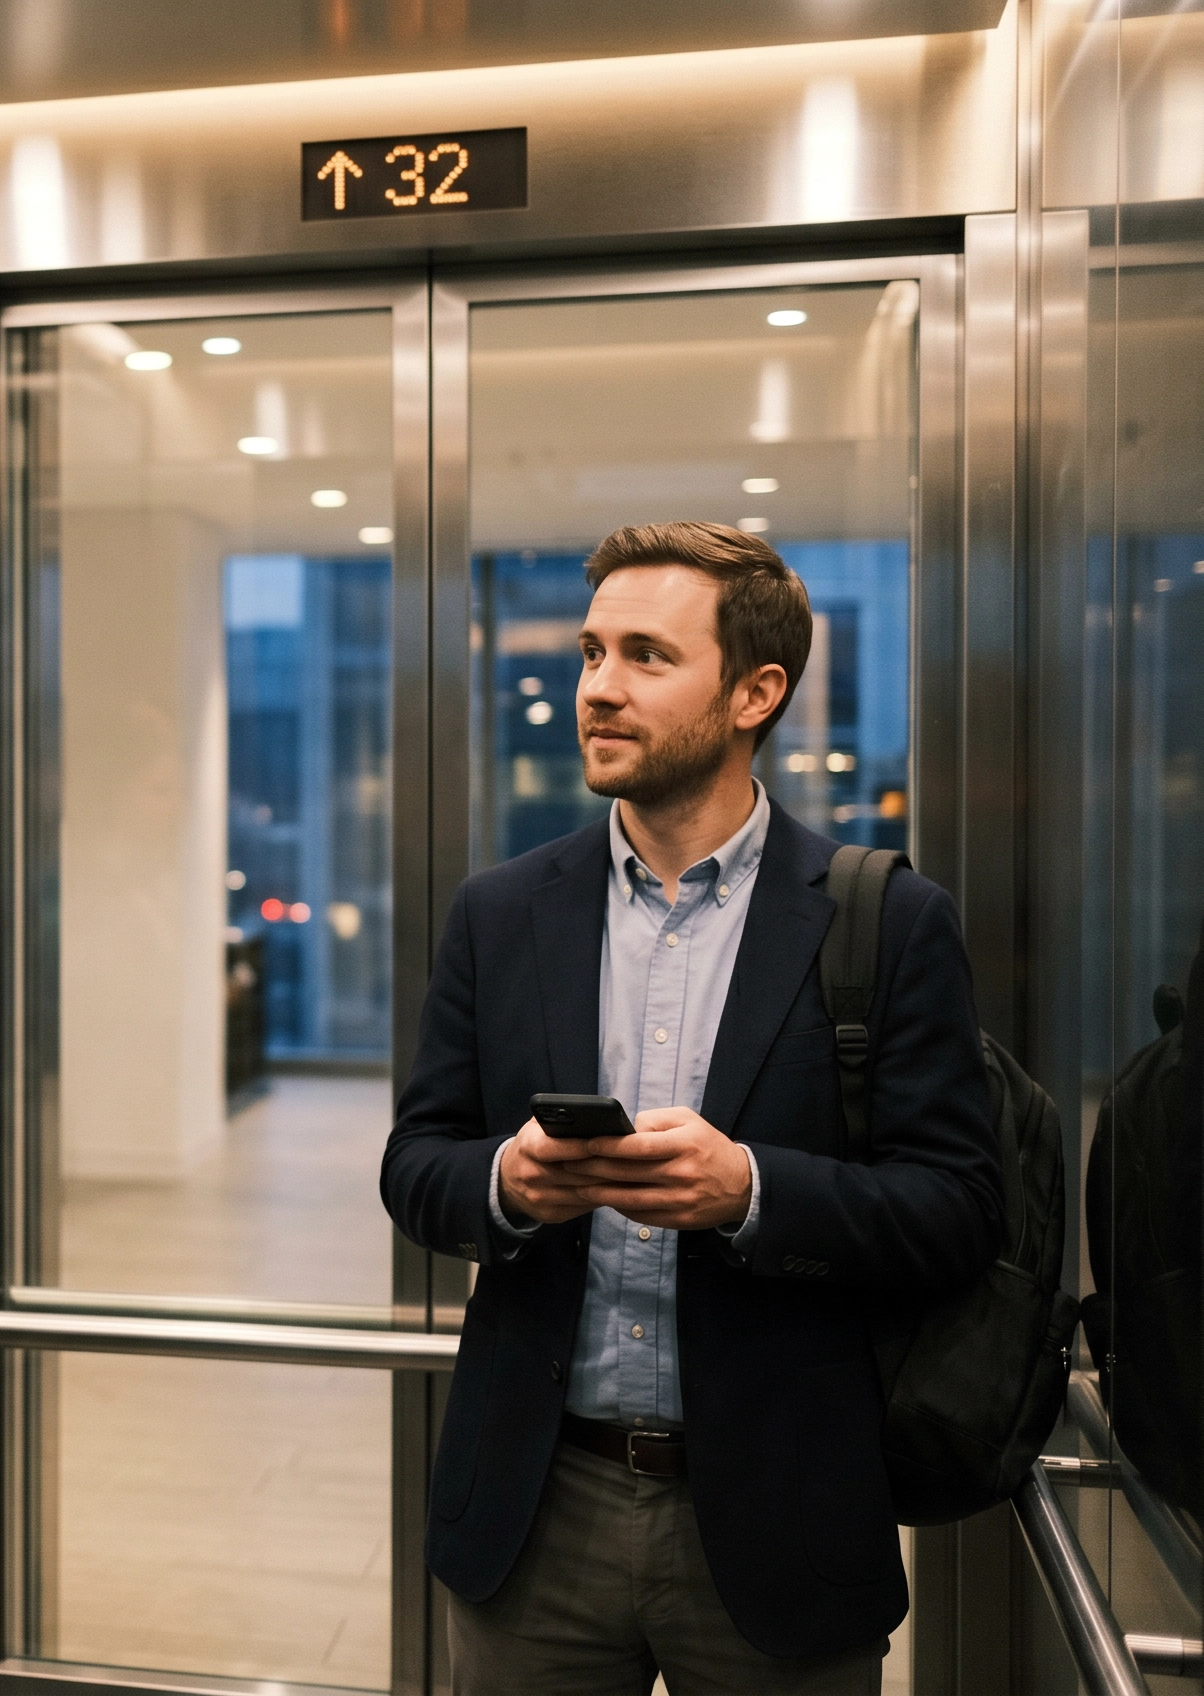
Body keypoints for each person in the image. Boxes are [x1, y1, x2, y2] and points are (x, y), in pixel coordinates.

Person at [378, 523, 1003, 1694]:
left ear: (753, 692)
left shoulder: (883, 920)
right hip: (533, 1512)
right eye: (588, 652)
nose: (596, 689)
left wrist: (751, 1193)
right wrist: (503, 1184)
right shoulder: (502, 912)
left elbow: (956, 1209)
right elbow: (415, 1162)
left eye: (645, 656)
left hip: (776, 1516)